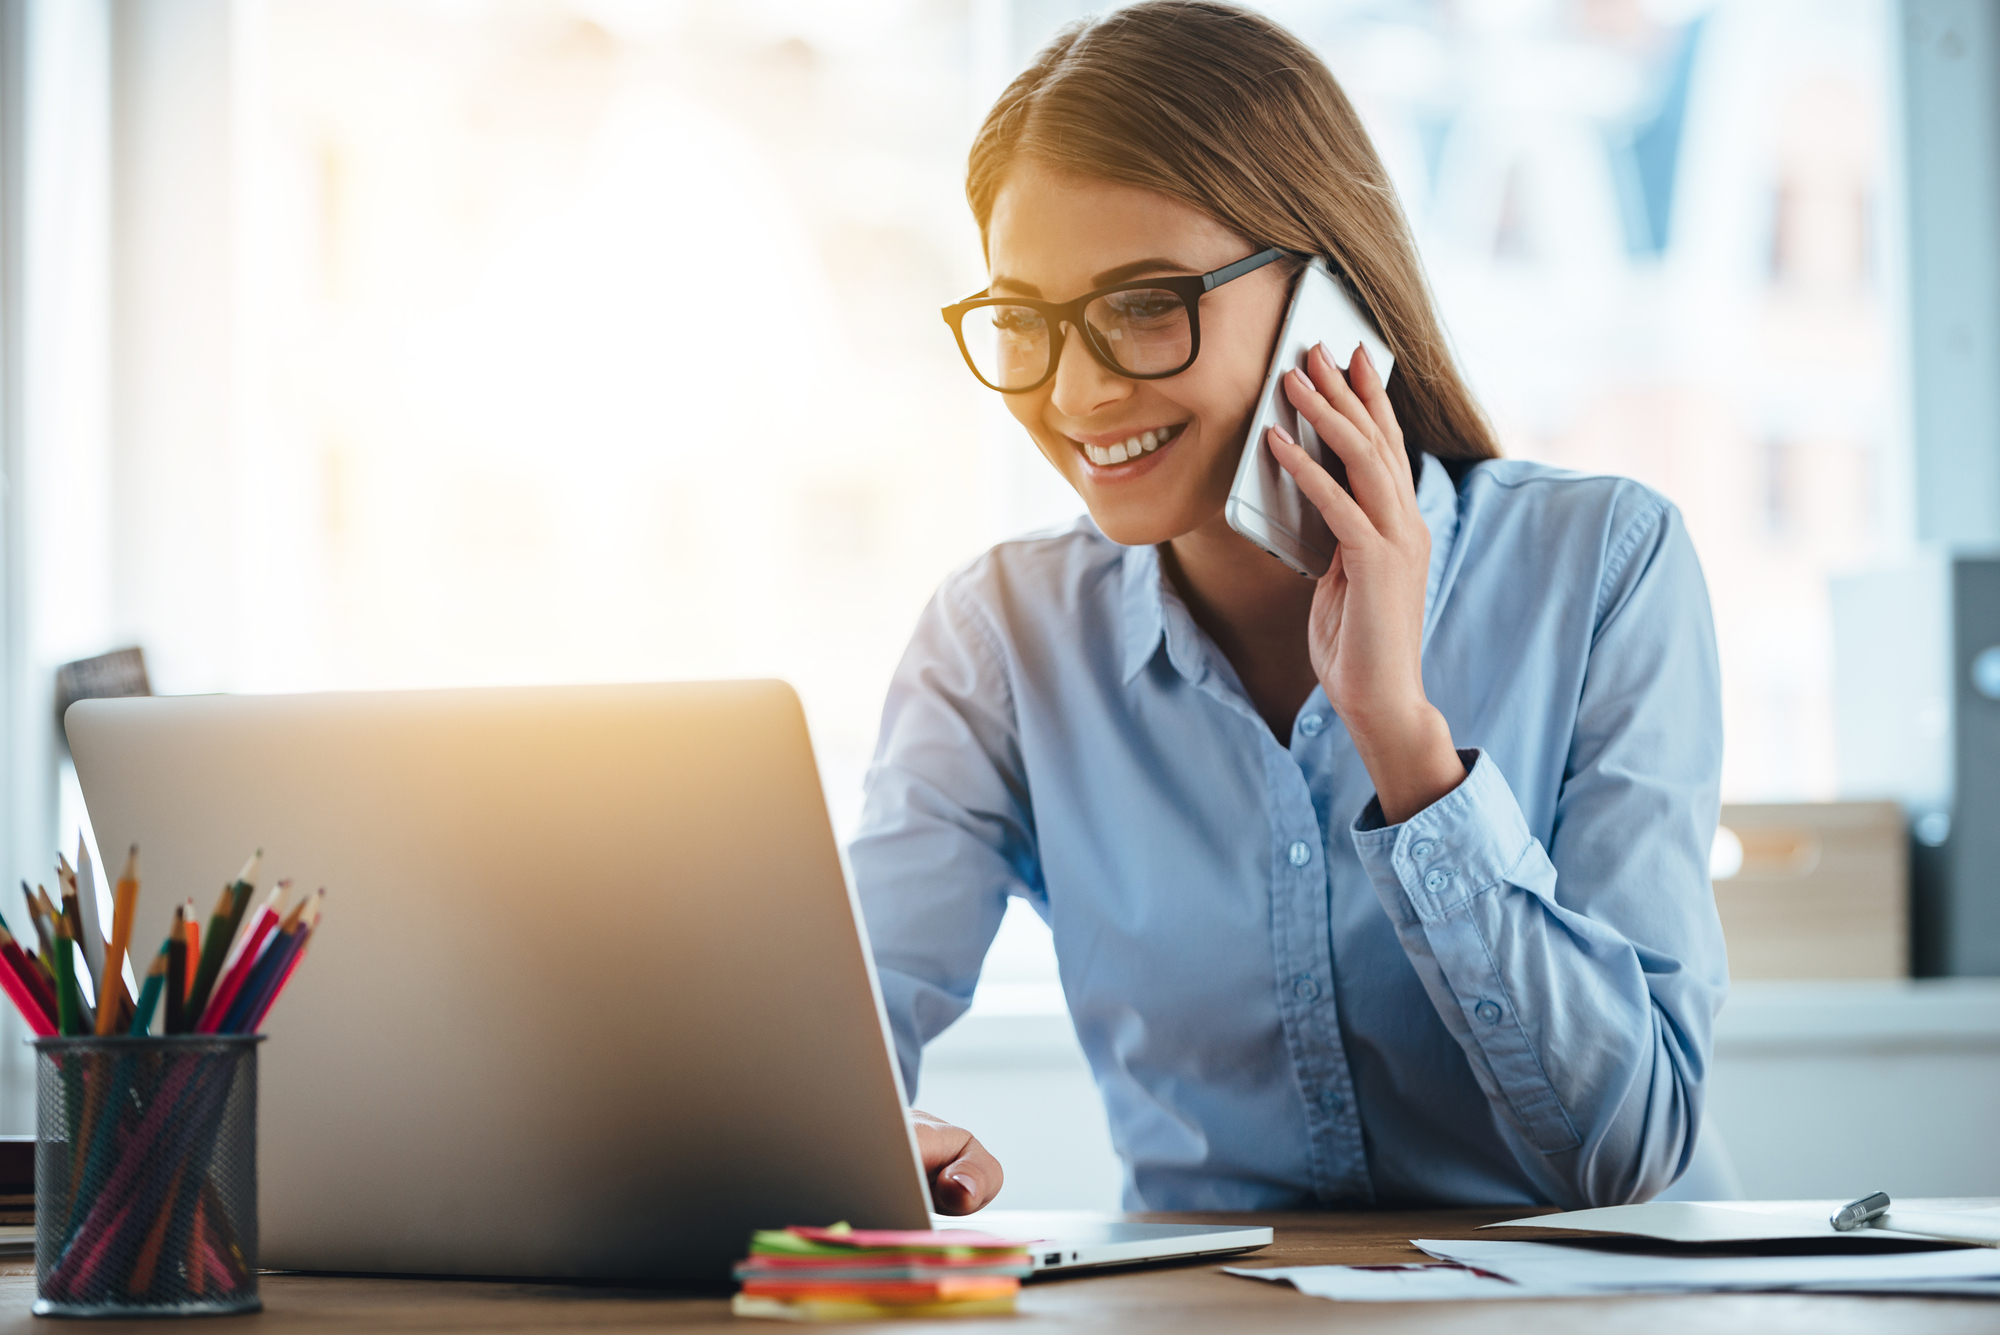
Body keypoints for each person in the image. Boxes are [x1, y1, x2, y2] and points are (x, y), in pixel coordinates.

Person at [852, 0, 1726, 1215]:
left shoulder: (1602, 565)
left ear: (1329, 300)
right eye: (1028, 322)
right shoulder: (1001, 635)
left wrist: (1405, 746)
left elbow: (1628, 1149)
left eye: (1147, 303)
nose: (1078, 389)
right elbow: (848, 1014)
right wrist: (851, 1135)